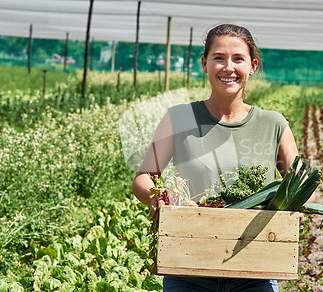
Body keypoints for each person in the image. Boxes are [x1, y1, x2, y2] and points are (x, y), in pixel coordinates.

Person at [132, 23, 311, 292]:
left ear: (253, 66)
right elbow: (144, 177)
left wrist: (296, 207)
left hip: (255, 269)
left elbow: (302, 184)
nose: (228, 67)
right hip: (187, 267)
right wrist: (159, 196)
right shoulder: (178, 118)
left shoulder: (273, 124)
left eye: (238, 59)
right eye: (219, 58)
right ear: (204, 64)